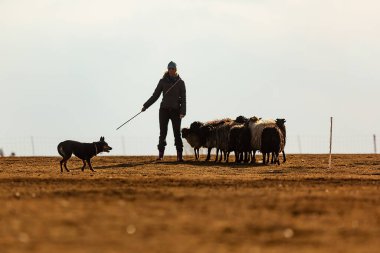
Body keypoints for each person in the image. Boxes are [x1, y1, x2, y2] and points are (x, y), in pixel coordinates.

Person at [142, 61, 186, 161]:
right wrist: (145, 106)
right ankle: (160, 155)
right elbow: (155, 96)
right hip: (164, 110)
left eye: (173, 68)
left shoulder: (181, 82)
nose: (171, 70)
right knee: (163, 133)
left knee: (177, 133)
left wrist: (183, 112)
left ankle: (179, 156)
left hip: (176, 110)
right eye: (169, 68)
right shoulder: (162, 81)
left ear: (176, 70)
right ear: (167, 69)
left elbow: (184, 99)